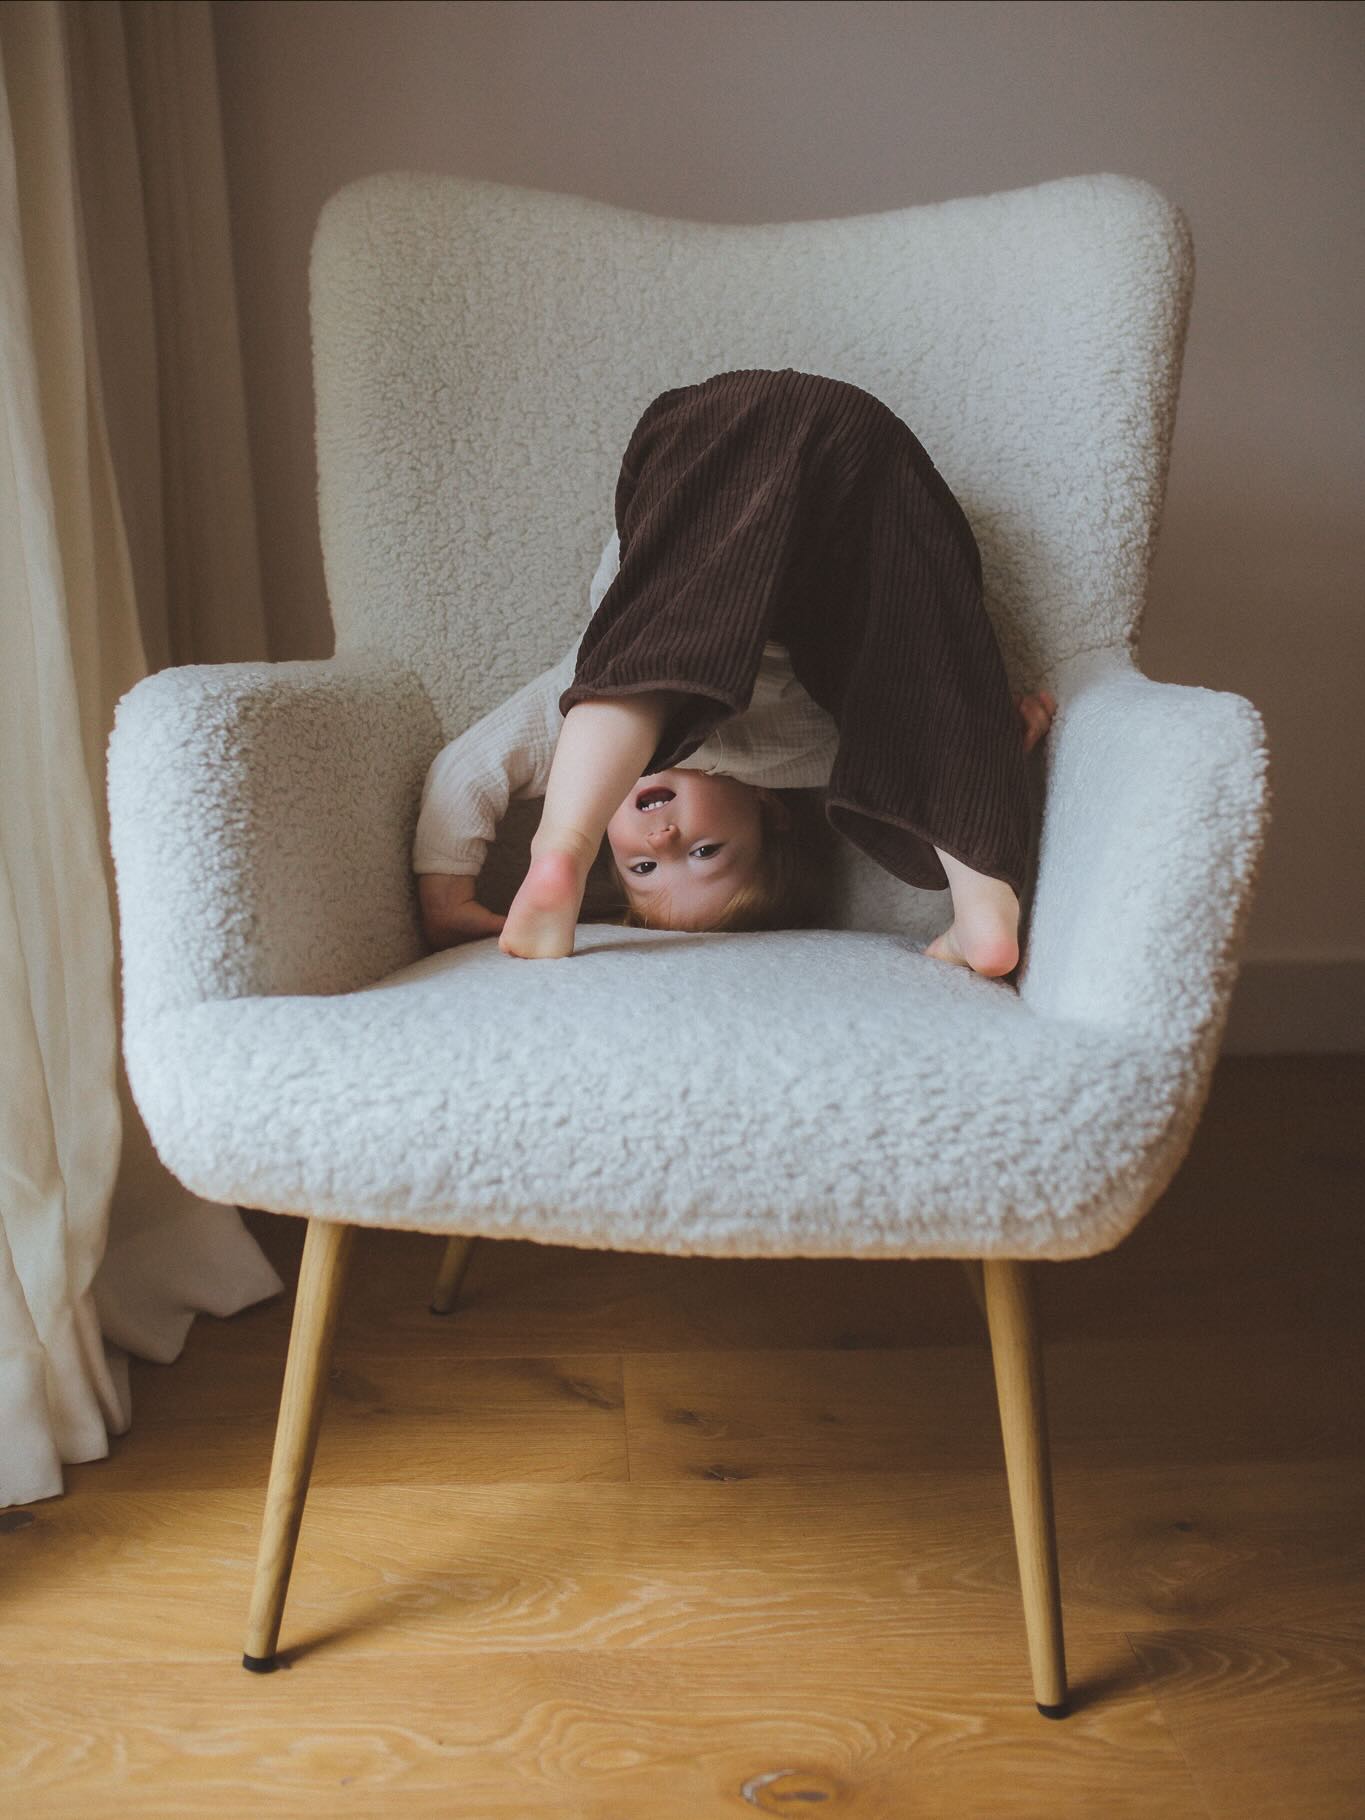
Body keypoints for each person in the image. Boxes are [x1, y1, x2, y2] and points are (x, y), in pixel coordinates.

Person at [414, 368, 1056, 977]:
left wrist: (447, 896)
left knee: (643, 667)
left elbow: (462, 773)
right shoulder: (825, 760)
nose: (663, 837)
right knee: (903, 666)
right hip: (864, 485)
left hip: (711, 452)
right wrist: (984, 741)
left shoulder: (579, 722)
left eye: (640, 865)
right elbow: (927, 738)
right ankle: (982, 909)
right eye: (703, 853)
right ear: (769, 811)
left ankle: (561, 846)